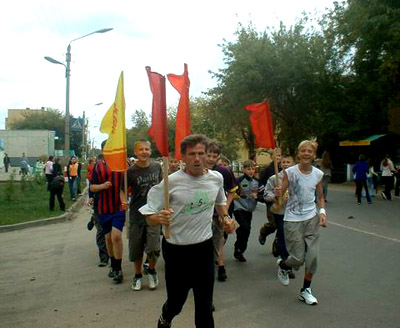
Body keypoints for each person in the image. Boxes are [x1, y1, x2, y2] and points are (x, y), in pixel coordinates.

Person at [139, 134, 236, 328]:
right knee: (177, 302)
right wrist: (156, 218)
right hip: (177, 251)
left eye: (201, 153)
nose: (197, 158)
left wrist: (226, 219)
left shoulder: (216, 179)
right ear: (182, 157)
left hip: (204, 249)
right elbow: (149, 216)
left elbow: (220, 203)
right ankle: (166, 317)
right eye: (192, 154)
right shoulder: (170, 183)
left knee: (205, 305)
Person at [275, 139, 327, 305]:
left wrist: (322, 212)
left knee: (312, 258)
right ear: (298, 153)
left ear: (314, 155)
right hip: (292, 219)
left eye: (309, 151)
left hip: (311, 218)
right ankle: (283, 265)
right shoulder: (290, 172)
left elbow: (320, 196)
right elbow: (281, 193)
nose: (306, 153)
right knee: (297, 258)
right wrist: (279, 192)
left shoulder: (318, 174)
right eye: (303, 150)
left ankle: (305, 290)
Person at [120, 139, 163, 291]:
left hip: (154, 214)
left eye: (147, 149)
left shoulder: (157, 167)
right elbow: (122, 190)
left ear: (150, 151)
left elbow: (164, 187)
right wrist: (124, 201)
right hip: (136, 215)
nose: (144, 152)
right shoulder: (130, 172)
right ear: (136, 152)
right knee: (136, 247)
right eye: (141, 150)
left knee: (153, 247)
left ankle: (151, 271)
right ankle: (137, 275)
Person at [90, 141, 125, 284]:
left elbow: (128, 184)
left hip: (118, 207)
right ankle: (113, 264)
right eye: (107, 149)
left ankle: (118, 268)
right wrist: (102, 186)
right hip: (103, 208)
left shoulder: (123, 165)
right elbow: (92, 187)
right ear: (103, 150)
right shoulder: (98, 167)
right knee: (109, 238)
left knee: (116, 236)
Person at [206, 140, 237, 282]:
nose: (211, 159)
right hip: (202, 212)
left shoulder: (223, 172)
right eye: (209, 155)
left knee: (220, 239)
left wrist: (224, 209)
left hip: (219, 212)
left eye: (215, 156)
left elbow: (231, 192)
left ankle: (220, 265)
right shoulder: (197, 170)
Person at [264, 154, 296, 278]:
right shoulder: (274, 178)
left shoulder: (297, 178)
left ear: (293, 164)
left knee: (293, 239)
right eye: (284, 162)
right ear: (280, 164)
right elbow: (266, 195)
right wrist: (275, 196)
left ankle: (281, 247)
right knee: (284, 237)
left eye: (289, 162)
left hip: (295, 213)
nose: (286, 164)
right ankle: (286, 265)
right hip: (280, 212)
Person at [233, 160, 259, 262]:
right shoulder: (238, 181)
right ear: (244, 169)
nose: (251, 171)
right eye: (248, 169)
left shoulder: (257, 182)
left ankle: (240, 250)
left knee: (246, 230)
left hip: (249, 209)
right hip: (239, 207)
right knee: (245, 227)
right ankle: (238, 248)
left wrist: (257, 196)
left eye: (253, 169)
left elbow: (263, 194)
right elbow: (231, 191)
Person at [87, 154, 109, 267]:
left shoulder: (115, 165)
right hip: (99, 203)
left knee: (109, 231)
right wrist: (91, 196)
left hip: (111, 205)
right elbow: (92, 184)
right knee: (101, 231)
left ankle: (93, 219)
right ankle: (104, 257)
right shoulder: (97, 168)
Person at [258, 149, 282, 245]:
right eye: (276, 155)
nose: (278, 157)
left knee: (282, 224)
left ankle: (277, 243)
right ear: (271, 157)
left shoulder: (286, 169)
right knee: (274, 223)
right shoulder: (267, 170)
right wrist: (261, 195)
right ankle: (264, 231)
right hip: (271, 200)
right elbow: (260, 184)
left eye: (280, 155)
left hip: (284, 200)